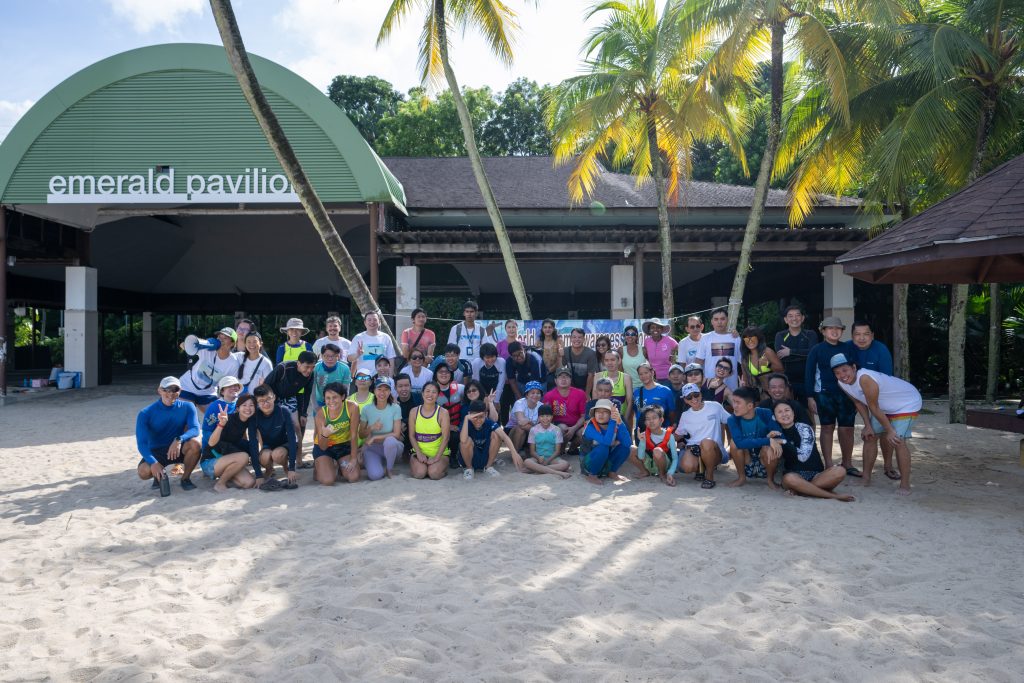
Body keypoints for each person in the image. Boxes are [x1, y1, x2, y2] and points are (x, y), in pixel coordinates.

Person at [832, 353, 921, 495]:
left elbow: (873, 408)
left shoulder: (865, 378)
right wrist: (867, 426)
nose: (842, 375)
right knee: (869, 437)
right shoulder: (842, 383)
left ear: (854, 367)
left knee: (898, 440)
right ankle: (865, 479)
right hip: (883, 407)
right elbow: (858, 402)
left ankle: (905, 485)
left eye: (845, 370)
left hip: (906, 403)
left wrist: (890, 431)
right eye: (837, 372)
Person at [772, 400, 853, 501]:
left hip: (816, 475)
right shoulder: (776, 432)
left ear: (793, 412)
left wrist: (783, 442)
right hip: (794, 475)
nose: (784, 414)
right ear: (774, 417)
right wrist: (770, 439)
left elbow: (803, 457)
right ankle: (833, 496)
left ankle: (801, 490)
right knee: (789, 479)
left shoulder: (804, 428)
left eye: (787, 410)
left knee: (840, 470)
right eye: (779, 412)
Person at [805, 317, 857, 475]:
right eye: (830, 328)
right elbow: (809, 373)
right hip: (824, 394)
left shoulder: (848, 348)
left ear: (842, 331)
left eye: (838, 328)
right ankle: (828, 464)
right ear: (823, 331)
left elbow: (855, 370)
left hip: (847, 394)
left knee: (847, 429)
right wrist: (810, 397)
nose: (834, 331)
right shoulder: (817, 349)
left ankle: (847, 464)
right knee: (827, 427)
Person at [849, 320, 898, 480]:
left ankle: (888, 466)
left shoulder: (881, 350)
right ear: (852, 336)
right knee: (867, 433)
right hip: (854, 394)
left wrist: (873, 407)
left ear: (872, 336)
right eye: (857, 334)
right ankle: (863, 472)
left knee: (884, 430)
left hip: (880, 395)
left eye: (866, 334)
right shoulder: (847, 348)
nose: (861, 338)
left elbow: (886, 379)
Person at [135, 376, 202, 492]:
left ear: (180, 391)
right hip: (157, 452)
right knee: (143, 472)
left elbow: (195, 429)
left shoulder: (188, 406)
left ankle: (185, 479)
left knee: (195, 444)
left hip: (178, 448)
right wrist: (154, 463)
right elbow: (142, 443)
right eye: (166, 389)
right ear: (159, 390)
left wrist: (179, 439)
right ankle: (160, 473)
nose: (171, 393)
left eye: (175, 389)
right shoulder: (145, 413)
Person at [264, 350, 316, 468]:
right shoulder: (283, 368)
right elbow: (266, 384)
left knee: (298, 427)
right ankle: (269, 464)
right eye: (306, 367)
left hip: (291, 397)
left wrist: (303, 413)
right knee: (274, 428)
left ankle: (299, 460)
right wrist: (272, 405)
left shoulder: (310, 374)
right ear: (298, 363)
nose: (309, 370)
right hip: (274, 397)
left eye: (312, 367)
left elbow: (307, 394)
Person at [676, 383, 731, 489]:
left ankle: (709, 477)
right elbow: (678, 435)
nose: (693, 399)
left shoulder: (715, 406)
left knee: (706, 442)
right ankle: (700, 468)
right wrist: (660, 433)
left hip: (714, 449)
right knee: (686, 467)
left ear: (700, 394)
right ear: (685, 400)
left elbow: (731, 421)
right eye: (689, 397)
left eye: (696, 395)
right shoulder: (685, 415)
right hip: (694, 449)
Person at [727, 387, 783, 488]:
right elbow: (739, 443)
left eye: (738, 402)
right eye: (733, 401)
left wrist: (770, 443)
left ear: (750, 406)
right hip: (747, 463)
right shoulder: (732, 419)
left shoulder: (765, 413)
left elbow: (781, 436)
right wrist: (767, 440)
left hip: (765, 463)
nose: (734, 406)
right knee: (734, 443)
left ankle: (770, 480)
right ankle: (741, 477)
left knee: (771, 447)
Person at [203, 394, 261, 492]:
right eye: (244, 405)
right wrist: (221, 424)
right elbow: (211, 443)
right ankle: (220, 484)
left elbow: (253, 445)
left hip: (227, 460)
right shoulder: (228, 419)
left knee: (249, 483)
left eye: (251, 405)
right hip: (210, 461)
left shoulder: (250, 421)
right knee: (243, 456)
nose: (248, 408)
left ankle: (227, 474)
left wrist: (259, 475)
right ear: (237, 408)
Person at [177, 327, 242, 411]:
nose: (220, 340)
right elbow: (183, 345)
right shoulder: (207, 349)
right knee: (186, 413)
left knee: (215, 416)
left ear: (232, 343)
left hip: (208, 392)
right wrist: (203, 343)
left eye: (225, 338)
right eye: (219, 337)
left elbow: (231, 384)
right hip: (187, 386)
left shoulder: (233, 363)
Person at [312, 382, 361, 486]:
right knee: (328, 481)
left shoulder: (352, 407)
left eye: (335, 397)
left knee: (353, 477)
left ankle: (338, 463)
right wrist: (325, 435)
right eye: (328, 398)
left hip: (343, 446)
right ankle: (322, 464)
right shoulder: (321, 414)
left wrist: (353, 459)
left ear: (343, 396)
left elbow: (353, 435)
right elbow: (322, 446)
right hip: (325, 447)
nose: (331, 401)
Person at [459, 400, 521, 480]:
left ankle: (488, 467)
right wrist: (466, 418)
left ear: (486, 415)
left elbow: (504, 437)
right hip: (470, 459)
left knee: (496, 434)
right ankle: (469, 469)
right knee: (465, 441)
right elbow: (463, 440)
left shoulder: (489, 422)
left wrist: (514, 453)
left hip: (485, 458)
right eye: (475, 417)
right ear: (469, 414)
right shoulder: (466, 423)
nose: (478, 420)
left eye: (481, 416)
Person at [252, 385, 298, 487]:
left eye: (268, 398)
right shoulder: (255, 416)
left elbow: (292, 438)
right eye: (261, 401)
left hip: (284, 444)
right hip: (267, 446)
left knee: (277, 454)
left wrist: (292, 468)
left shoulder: (283, 411)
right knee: (264, 457)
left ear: (274, 397)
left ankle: (286, 467)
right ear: (256, 402)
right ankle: (269, 469)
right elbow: (253, 443)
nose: (266, 403)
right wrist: (258, 475)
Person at [359, 379, 404, 480]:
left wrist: (375, 437)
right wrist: (372, 427)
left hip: (393, 447)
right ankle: (378, 464)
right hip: (373, 448)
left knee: (390, 441)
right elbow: (361, 434)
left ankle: (389, 469)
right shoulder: (366, 409)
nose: (382, 393)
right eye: (379, 389)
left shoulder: (395, 408)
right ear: (374, 391)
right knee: (375, 475)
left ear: (390, 392)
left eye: (386, 390)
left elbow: (396, 434)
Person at [580, 399, 632, 485]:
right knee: (603, 447)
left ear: (611, 414)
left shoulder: (614, 425)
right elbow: (607, 442)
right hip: (588, 464)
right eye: (598, 412)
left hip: (604, 460)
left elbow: (627, 443)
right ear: (594, 414)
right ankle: (592, 475)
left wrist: (620, 422)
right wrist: (612, 421)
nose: (600, 414)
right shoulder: (590, 427)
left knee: (625, 448)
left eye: (605, 412)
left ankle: (612, 472)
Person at [773, 305, 817, 404]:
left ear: (802, 318)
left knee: (808, 412)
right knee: (788, 409)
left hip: (807, 380)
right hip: (787, 381)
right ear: (786, 320)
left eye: (797, 315)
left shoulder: (810, 334)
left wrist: (790, 352)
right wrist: (804, 354)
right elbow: (781, 357)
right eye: (790, 316)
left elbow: (813, 353)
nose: (794, 319)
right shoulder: (780, 335)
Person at [409, 382, 451, 480]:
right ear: (422, 393)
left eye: (434, 392)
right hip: (419, 452)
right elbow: (411, 436)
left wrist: (436, 457)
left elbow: (446, 437)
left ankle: (439, 468)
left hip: (439, 453)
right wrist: (419, 454)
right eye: (427, 391)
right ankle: (422, 467)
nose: (430, 395)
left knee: (434, 474)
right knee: (420, 473)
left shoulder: (443, 413)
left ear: (438, 395)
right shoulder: (414, 412)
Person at [628, 405, 678, 487]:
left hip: (664, 464)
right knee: (631, 449)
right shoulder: (644, 435)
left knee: (657, 450)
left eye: (654, 418)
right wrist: (642, 441)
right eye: (648, 419)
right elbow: (641, 456)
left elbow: (675, 458)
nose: (651, 421)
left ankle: (662, 474)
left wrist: (670, 473)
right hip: (650, 464)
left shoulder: (669, 436)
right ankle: (644, 471)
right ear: (645, 422)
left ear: (661, 420)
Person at [543, 367, 588, 454]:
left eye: (566, 376)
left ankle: (572, 448)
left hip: (576, 425)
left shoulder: (580, 394)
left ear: (570, 379)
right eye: (560, 376)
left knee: (584, 432)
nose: (563, 379)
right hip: (559, 427)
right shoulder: (549, 395)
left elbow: (584, 416)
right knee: (562, 428)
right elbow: (546, 417)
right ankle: (561, 448)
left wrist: (574, 429)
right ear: (555, 380)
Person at [524, 404, 572, 479]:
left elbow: (557, 451)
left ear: (552, 417)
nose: (545, 419)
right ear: (538, 417)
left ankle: (538, 470)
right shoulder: (533, 430)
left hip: (552, 458)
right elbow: (532, 451)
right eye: (542, 416)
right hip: (538, 458)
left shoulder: (557, 430)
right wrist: (539, 458)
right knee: (527, 461)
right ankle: (557, 472)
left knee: (565, 464)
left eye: (548, 416)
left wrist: (548, 461)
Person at [199, 376, 243, 454]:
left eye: (236, 385)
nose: (234, 388)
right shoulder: (214, 406)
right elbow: (207, 432)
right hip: (215, 448)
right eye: (229, 386)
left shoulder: (242, 403)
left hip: (234, 443)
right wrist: (215, 452)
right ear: (222, 392)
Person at [701, 308, 742, 390]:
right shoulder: (705, 338)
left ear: (727, 320)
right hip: (711, 385)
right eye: (716, 319)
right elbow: (699, 361)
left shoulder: (736, 338)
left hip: (731, 385)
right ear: (712, 321)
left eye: (722, 319)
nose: (719, 322)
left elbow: (743, 361)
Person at [433, 364, 465, 465]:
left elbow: (474, 394)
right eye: (440, 372)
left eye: (446, 372)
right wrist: (447, 426)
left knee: (455, 435)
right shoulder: (431, 391)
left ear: (451, 374)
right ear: (436, 375)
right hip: (437, 426)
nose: (444, 374)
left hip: (456, 426)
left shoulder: (460, 388)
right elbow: (429, 413)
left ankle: (453, 456)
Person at [348, 311, 397, 377]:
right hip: (364, 378)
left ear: (379, 322)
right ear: (365, 323)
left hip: (382, 378)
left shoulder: (386, 337)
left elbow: (391, 359)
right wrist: (357, 354)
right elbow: (349, 358)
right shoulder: (358, 338)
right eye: (369, 320)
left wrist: (390, 377)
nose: (372, 322)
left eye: (375, 320)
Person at [739, 326, 784, 395]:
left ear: (759, 339)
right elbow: (746, 381)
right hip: (758, 395)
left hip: (775, 393)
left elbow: (781, 369)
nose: (750, 341)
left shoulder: (767, 351)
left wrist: (768, 364)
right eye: (747, 339)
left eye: (753, 339)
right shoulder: (745, 358)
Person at [632, 362, 676, 428]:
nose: (643, 376)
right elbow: (636, 412)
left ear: (652, 372)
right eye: (640, 374)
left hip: (660, 432)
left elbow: (672, 413)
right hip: (642, 433)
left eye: (646, 373)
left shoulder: (665, 391)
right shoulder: (636, 392)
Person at [595, 350, 633, 423]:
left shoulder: (626, 378)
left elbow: (630, 402)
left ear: (619, 361)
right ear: (604, 362)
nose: (609, 363)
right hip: (602, 419)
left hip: (620, 418)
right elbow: (595, 400)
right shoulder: (598, 376)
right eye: (606, 360)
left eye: (612, 360)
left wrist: (624, 420)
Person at [507, 380, 544, 453]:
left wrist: (529, 422)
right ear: (527, 394)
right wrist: (532, 424)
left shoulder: (541, 406)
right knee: (521, 429)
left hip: (531, 431)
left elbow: (542, 425)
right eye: (532, 393)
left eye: (538, 393)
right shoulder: (520, 403)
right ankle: (515, 453)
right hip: (513, 431)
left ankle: (531, 451)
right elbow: (521, 423)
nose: (535, 395)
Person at [312, 343, 352, 410]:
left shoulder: (345, 368)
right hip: (320, 402)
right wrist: (315, 406)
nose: (330, 359)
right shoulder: (316, 368)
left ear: (338, 356)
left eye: (333, 356)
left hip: (337, 402)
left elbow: (346, 389)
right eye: (326, 356)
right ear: (321, 356)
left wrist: (343, 404)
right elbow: (312, 389)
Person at [562, 328, 599, 394]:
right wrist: (560, 356)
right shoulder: (565, 351)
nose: (577, 339)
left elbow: (591, 375)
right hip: (570, 389)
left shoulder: (590, 353)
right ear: (570, 338)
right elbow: (560, 369)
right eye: (574, 337)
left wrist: (587, 394)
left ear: (584, 339)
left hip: (585, 387)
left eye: (579, 337)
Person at [394, 373, 424, 455]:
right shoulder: (393, 404)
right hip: (402, 435)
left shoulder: (420, 398)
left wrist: (405, 422)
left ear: (411, 386)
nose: (404, 389)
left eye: (406, 385)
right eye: (400, 386)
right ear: (395, 388)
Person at [642, 318, 678, 382]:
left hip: (668, 377)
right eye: (652, 327)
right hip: (653, 378)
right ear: (649, 330)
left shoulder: (669, 340)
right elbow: (646, 355)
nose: (655, 329)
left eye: (658, 327)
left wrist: (673, 354)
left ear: (661, 330)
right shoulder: (647, 341)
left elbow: (678, 347)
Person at [619, 324, 646, 389]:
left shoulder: (643, 350)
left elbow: (651, 366)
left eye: (633, 334)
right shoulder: (621, 350)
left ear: (637, 336)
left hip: (643, 386)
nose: (630, 336)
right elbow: (620, 370)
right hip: (627, 387)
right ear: (624, 336)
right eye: (627, 334)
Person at [539, 319, 563, 386]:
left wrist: (550, 369)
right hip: (542, 375)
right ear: (542, 329)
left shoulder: (559, 342)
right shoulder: (538, 343)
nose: (547, 329)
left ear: (553, 329)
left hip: (556, 374)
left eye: (550, 327)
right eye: (545, 327)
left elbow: (561, 359)